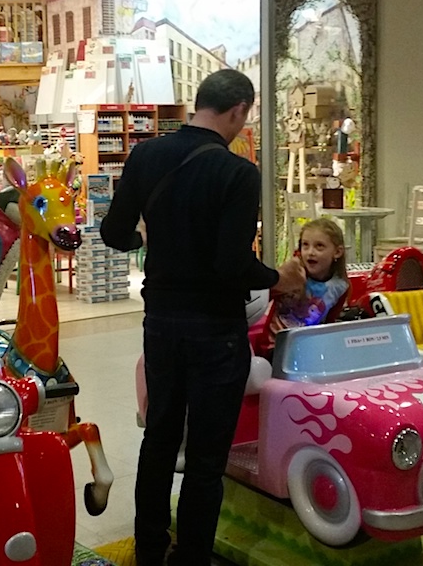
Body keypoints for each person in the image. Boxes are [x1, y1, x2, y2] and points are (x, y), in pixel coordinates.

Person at [100, 69, 307, 566]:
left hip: (161, 322)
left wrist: (144, 237)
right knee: (206, 459)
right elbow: (231, 265)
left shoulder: (146, 155)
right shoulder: (237, 173)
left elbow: (112, 233)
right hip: (215, 330)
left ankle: (149, 550)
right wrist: (278, 278)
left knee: (159, 439)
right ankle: (191, 557)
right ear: (238, 110)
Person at [254, 219, 350, 357]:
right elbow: (261, 300)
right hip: (274, 346)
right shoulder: (291, 276)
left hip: (309, 348)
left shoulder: (340, 286)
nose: (310, 252)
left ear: (337, 252)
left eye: (319, 246)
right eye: (305, 245)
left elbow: (329, 324)